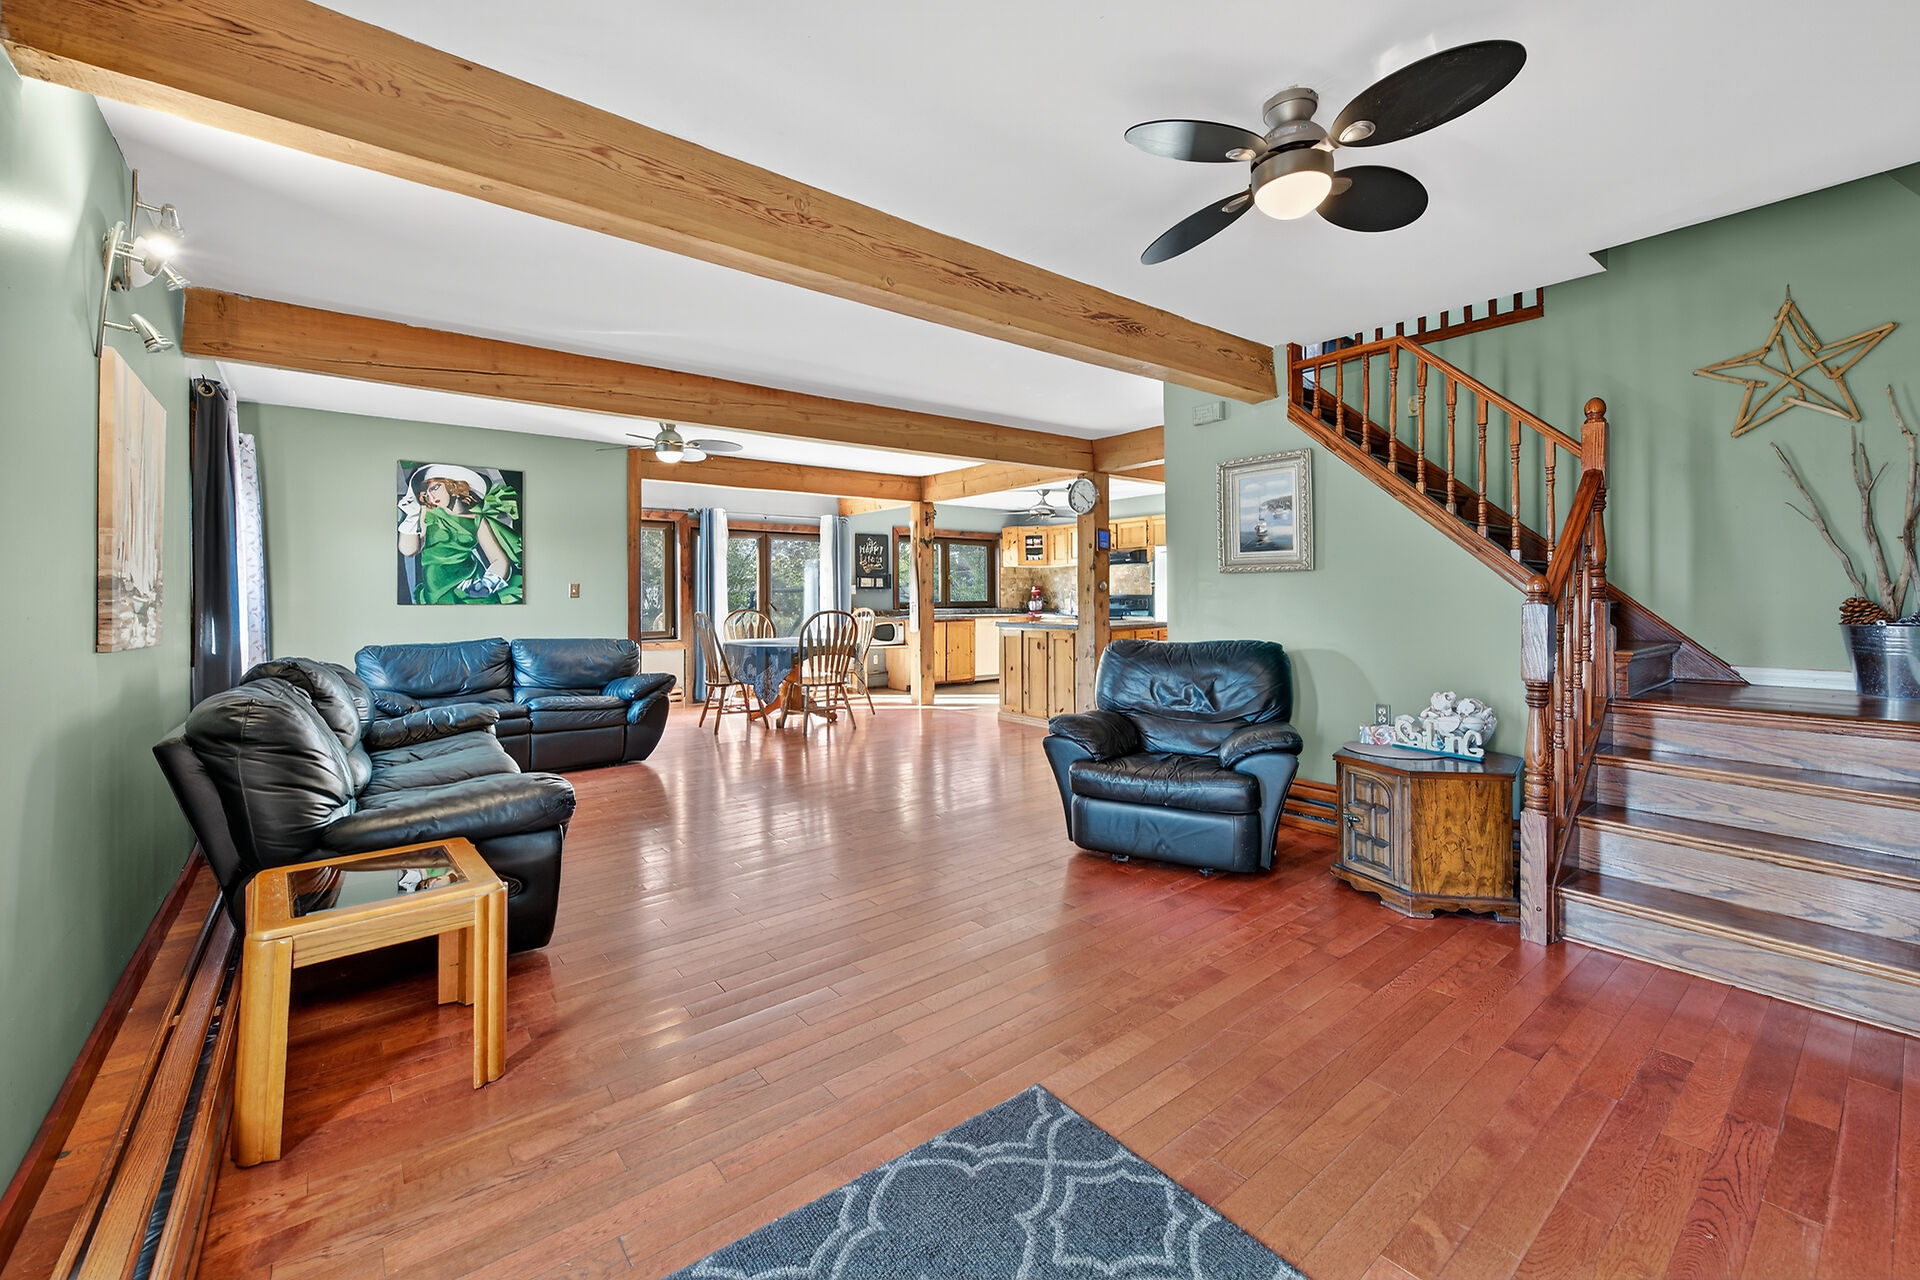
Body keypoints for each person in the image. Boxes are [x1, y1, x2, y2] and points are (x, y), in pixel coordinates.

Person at [397, 464, 523, 604]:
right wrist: (412, 516)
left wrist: (486, 584)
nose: (431, 496)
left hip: (470, 585)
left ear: (452, 485)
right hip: (437, 589)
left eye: (435, 488)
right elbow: (409, 550)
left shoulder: (477, 519)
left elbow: (499, 560)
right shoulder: (428, 513)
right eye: (426, 494)